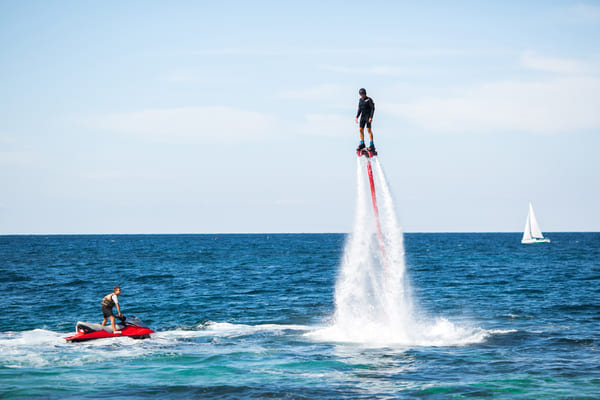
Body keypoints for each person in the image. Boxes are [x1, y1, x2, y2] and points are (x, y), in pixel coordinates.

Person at [355, 88, 376, 153]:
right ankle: (362, 143)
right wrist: (357, 117)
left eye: (362, 94)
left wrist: (371, 117)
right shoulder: (360, 100)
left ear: (365, 94)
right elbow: (359, 109)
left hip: (368, 116)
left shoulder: (369, 100)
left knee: (368, 130)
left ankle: (372, 145)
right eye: (360, 94)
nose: (362, 95)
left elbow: (373, 108)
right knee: (360, 129)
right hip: (362, 117)